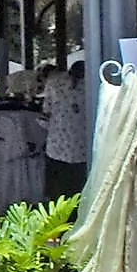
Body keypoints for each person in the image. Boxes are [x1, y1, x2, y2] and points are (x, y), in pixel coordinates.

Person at [42, 58, 89, 199]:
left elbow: (46, 110)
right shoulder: (94, 83)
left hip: (56, 148)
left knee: (58, 193)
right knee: (81, 193)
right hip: (84, 149)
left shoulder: (54, 82)